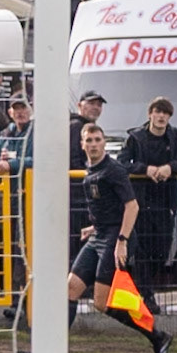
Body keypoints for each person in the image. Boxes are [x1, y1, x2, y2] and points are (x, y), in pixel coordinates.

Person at [69, 123, 174, 353]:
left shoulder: (113, 169)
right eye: (89, 140)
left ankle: (157, 336)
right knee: (72, 287)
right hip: (100, 235)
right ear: (82, 144)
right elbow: (109, 207)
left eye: (97, 139)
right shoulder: (90, 170)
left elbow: (132, 206)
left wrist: (122, 242)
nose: (93, 144)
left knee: (101, 302)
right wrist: (94, 228)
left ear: (104, 142)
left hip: (115, 238)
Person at [119, 97, 177, 312]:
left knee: (162, 250)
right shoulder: (135, 137)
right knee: (142, 252)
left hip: (165, 202)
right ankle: (145, 297)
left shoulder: (176, 136)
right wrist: (145, 169)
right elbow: (123, 162)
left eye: (166, 113)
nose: (161, 117)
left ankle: (146, 292)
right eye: (158, 112)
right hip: (140, 203)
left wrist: (170, 167)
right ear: (150, 114)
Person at [0, 95, 35, 318]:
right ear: (10, 112)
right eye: (16, 109)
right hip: (11, 202)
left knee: (28, 251)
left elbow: (40, 159)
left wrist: (12, 163)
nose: (20, 112)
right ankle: (17, 299)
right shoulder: (6, 133)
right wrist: (1, 160)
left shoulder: (37, 131)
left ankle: (29, 301)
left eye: (23, 108)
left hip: (33, 201)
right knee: (14, 251)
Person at [69, 90, 105, 265]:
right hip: (77, 197)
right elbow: (74, 160)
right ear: (80, 105)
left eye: (99, 104)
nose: (96, 108)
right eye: (91, 103)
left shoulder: (79, 126)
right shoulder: (77, 126)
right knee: (79, 243)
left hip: (81, 196)